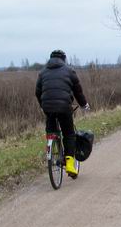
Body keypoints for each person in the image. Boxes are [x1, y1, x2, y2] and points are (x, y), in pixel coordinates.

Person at [35, 50, 90, 178]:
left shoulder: (42, 72)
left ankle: (51, 142)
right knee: (69, 134)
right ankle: (70, 164)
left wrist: (42, 105)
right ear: (64, 59)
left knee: (51, 130)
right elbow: (78, 92)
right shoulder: (69, 71)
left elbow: (37, 92)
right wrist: (84, 105)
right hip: (64, 107)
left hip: (48, 107)